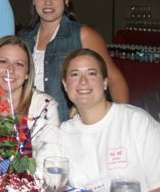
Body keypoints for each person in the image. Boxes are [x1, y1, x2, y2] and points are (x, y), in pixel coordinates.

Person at [20, 0, 129, 121]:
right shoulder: (24, 40)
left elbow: (115, 79)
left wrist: (121, 123)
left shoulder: (84, 35)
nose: (48, 2)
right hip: (30, 131)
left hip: (70, 130)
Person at [59, 48, 160, 191]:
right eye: (75, 74)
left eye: (92, 73)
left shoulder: (136, 122)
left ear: (105, 83)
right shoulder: (64, 133)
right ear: (65, 85)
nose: (83, 81)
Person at [0, 35, 60, 175]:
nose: (10, 69)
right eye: (3, 62)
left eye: (19, 64)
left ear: (28, 73)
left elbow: (48, 161)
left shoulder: (44, 107)